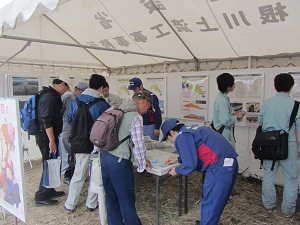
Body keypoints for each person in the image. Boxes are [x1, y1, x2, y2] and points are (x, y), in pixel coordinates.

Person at [162, 118, 239, 225]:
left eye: (168, 138)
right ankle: (208, 222)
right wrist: (178, 159)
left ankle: (207, 222)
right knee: (217, 201)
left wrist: (177, 170)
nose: (170, 141)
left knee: (211, 201)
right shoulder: (191, 129)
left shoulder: (181, 136)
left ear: (172, 132)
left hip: (219, 166)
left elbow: (190, 164)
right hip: (230, 162)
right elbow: (198, 150)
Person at [100, 91, 153, 225]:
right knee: (126, 199)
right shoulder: (135, 117)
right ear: (143, 102)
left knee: (111, 196)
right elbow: (139, 144)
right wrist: (141, 166)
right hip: (119, 161)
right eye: (148, 107)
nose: (147, 111)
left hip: (105, 156)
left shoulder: (114, 107)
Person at [64, 74, 110, 212]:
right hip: (96, 144)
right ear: (101, 87)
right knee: (96, 174)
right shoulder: (102, 105)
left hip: (79, 142)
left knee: (79, 173)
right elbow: (105, 126)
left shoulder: (76, 101)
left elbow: (71, 120)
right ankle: (91, 203)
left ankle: (70, 203)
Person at [258, 73, 300, 218]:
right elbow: (299, 131)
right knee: (291, 179)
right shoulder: (296, 106)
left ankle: (269, 205)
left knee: (268, 176)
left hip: (269, 144)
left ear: (275, 86)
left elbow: (261, 124)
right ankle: (288, 211)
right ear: (290, 87)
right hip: (290, 146)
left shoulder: (266, 103)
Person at [34, 78, 69, 206]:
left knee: (52, 163)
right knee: (48, 164)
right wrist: (52, 141)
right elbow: (46, 119)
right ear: (61, 84)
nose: (65, 91)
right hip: (46, 137)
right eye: (65, 88)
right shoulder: (48, 96)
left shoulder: (50, 94)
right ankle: (41, 196)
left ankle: (50, 190)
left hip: (48, 136)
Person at [59, 82, 88, 185]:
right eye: (82, 92)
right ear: (76, 90)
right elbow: (63, 113)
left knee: (76, 152)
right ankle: (67, 174)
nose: (83, 94)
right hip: (67, 127)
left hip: (77, 128)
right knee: (67, 151)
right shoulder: (68, 98)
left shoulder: (82, 99)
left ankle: (77, 174)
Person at [212, 73, 245, 148]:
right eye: (233, 83)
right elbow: (225, 121)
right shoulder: (222, 101)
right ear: (228, 86)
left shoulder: (223, 98)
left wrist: (235, 115)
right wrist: (236, 117)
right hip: (224, 132)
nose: (234, 85)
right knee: (228, 156)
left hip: (225, 131)